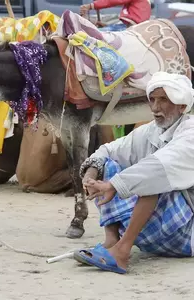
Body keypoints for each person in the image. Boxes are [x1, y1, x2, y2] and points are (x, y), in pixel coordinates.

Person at [74, 71, 194, 274]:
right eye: (152, 100)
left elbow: (158, 166)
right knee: (109, 164)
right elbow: (109, 150)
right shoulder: (151, 131)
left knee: (151, 178)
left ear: (182, 105)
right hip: (159, 233)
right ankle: (112, 241)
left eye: (164, 100)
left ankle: (122, 252)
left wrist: (112, 185)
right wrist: (91, 174)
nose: (155, 108)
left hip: (185, 234)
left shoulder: (190, 133)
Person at [80, 0, 151, 31]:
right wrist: (106, 25)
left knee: (95, 33)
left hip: (130, 27)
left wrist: (92, 5)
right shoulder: (144, 3)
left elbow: (113, 1)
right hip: (134, 27)